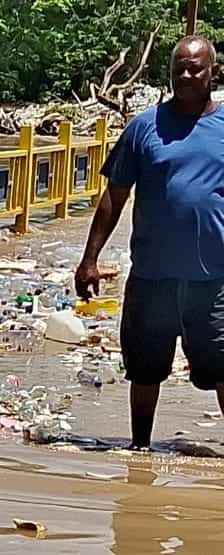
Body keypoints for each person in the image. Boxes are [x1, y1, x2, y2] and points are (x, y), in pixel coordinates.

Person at [75, 35, 224, 450]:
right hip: (152, 279)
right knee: (143, 371)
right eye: (179, 67)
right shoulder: (144, 127)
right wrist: (89, 259)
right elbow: (114, 196)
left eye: (195, 67)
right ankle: (139, 451)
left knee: (223, 368)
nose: (187, 74)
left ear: (214, 71)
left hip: (214, 282)